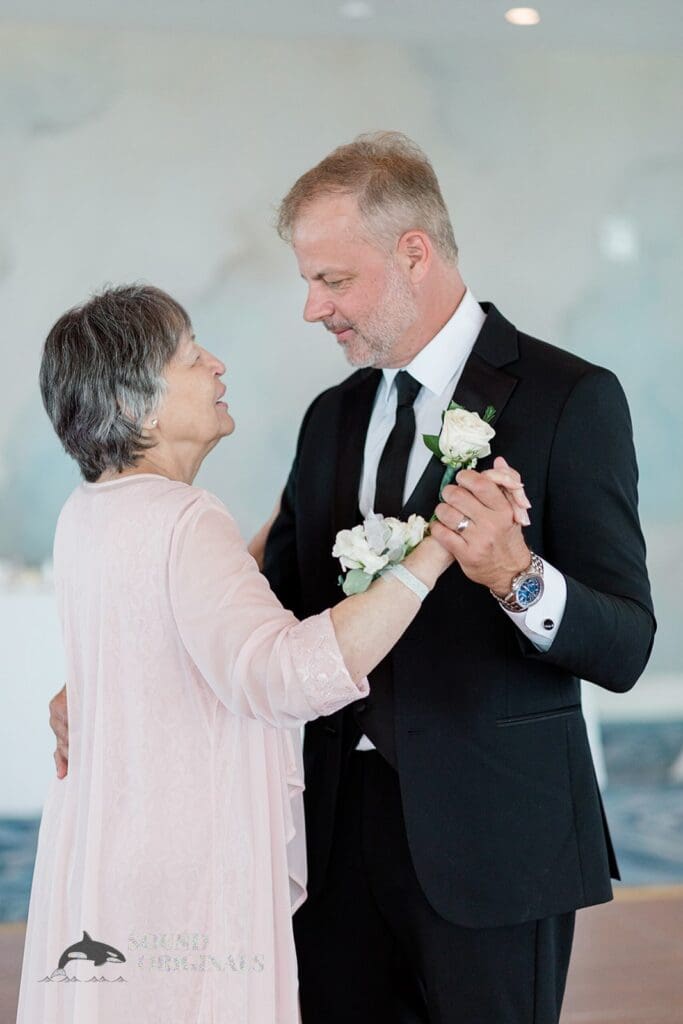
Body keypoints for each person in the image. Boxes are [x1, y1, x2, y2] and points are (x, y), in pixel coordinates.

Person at [20, 283, 527, 1024]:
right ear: (137, 406)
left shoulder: (91, 510)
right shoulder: (184, 518)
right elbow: (284, 677)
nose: (217, 365)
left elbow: (181, 611)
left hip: (116, 855)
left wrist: (286, 517)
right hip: (185, 872)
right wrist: (433, 553)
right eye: (192, 357)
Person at [258, 133, 655, 1024]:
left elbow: (626, 642)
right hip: (328, 837)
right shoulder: (332, 416)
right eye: (307, 281)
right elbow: (278, 606)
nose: (312, 309)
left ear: (413, 252)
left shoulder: (568, 398)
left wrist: (517, 577)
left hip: (497, 841)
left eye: (332, 280)